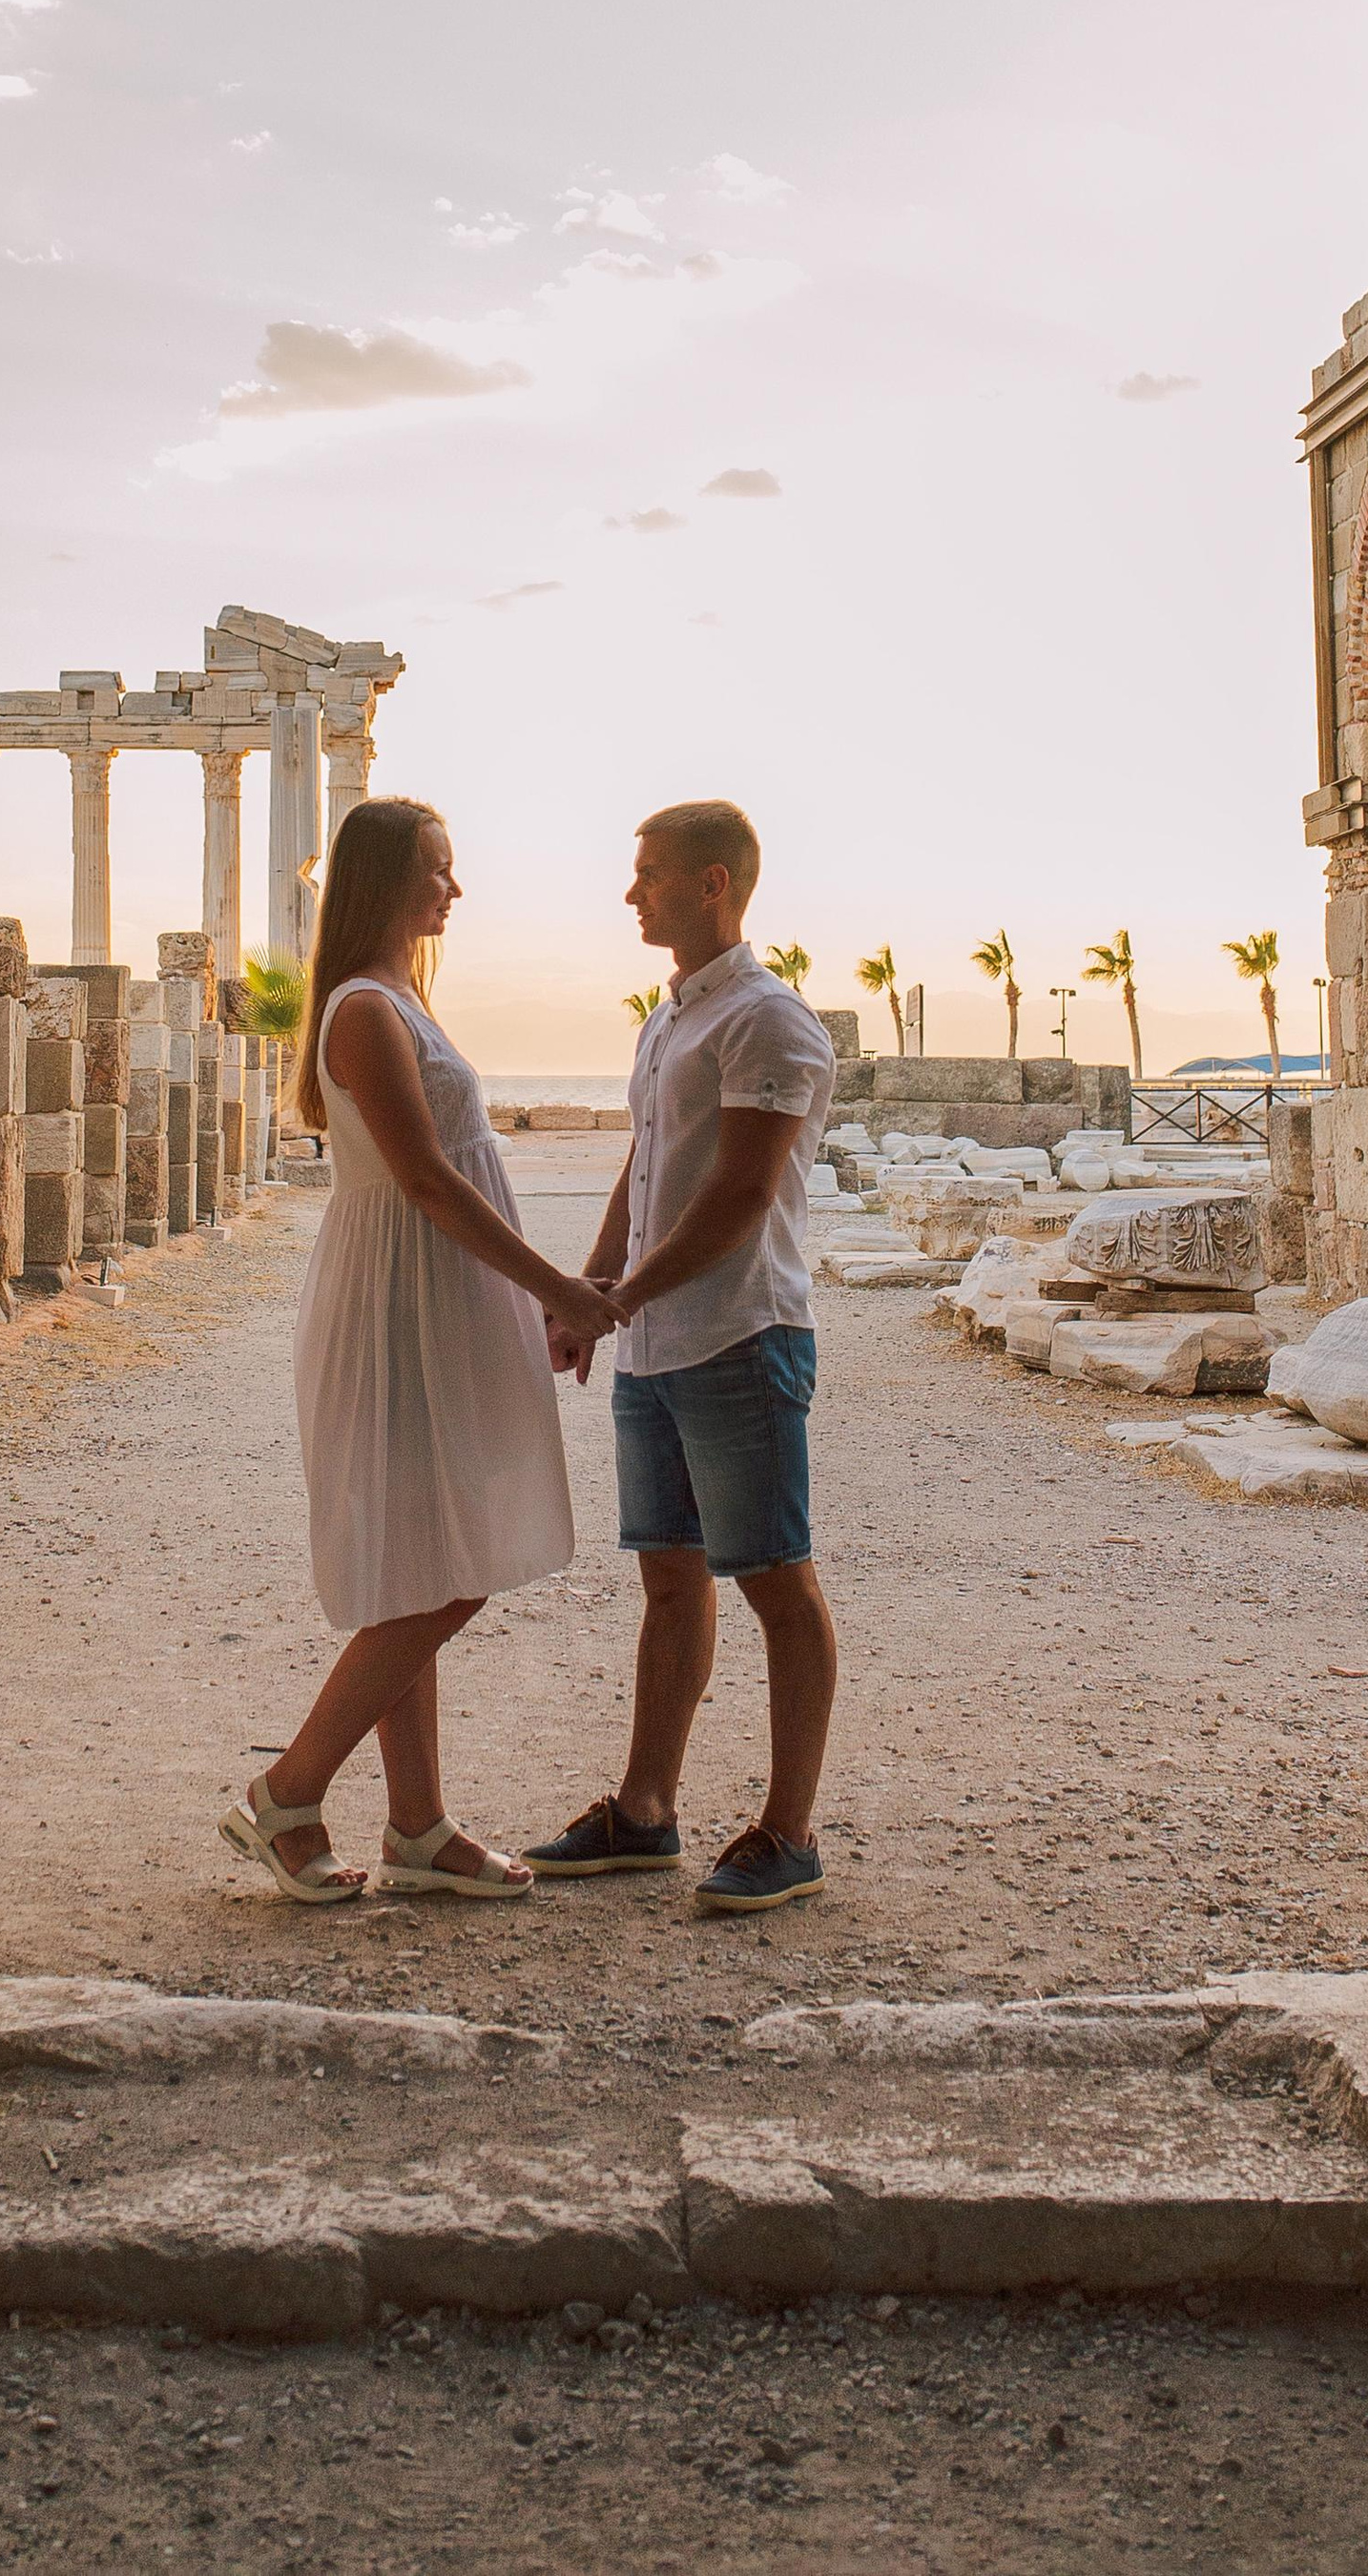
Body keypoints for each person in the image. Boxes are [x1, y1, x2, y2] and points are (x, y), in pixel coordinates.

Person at [219, 797, 617, 1905]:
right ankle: (287, 1790)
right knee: (450, 1566)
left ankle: (417, 1824)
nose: (456, 887)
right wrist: (558, 1289)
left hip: (434, 1293)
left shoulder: (396, 997)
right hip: (399, 1299)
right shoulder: (361, 1006)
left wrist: (530, 1298)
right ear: (389, 878)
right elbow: (429, 1181)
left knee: (421, 1555)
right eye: (440, 867)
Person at [524, 800, 839, 1913]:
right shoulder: (669, 1019)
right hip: (657, 1341)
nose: (631, 891)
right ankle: (645, 1807)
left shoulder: (769, 1021)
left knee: (776, 1576)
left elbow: (740, 1195)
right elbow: (646, 1166)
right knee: (668, 1573)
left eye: (650, 873)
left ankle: (789, 1830)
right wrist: (589, 1287)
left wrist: (616, 1298)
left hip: (741, 1331)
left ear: (713, 883)